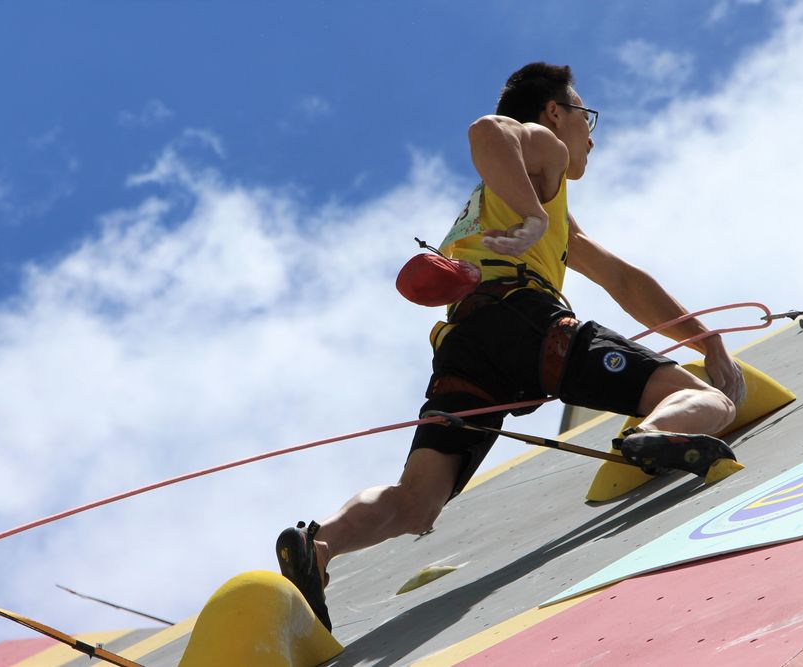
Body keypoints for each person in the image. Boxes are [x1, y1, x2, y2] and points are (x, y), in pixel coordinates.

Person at [276, 62, 745, 631]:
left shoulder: (526, 208)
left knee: (416, 502)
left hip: (464, 349)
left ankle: (318, 546)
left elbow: (624, 281)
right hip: (524, 318)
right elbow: (486, 130)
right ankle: (651, 435)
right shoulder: (544, 161)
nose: (590, 136)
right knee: (710, 401)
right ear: (554, 112)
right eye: (585, 116)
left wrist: (703, 331)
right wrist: (531, 216)